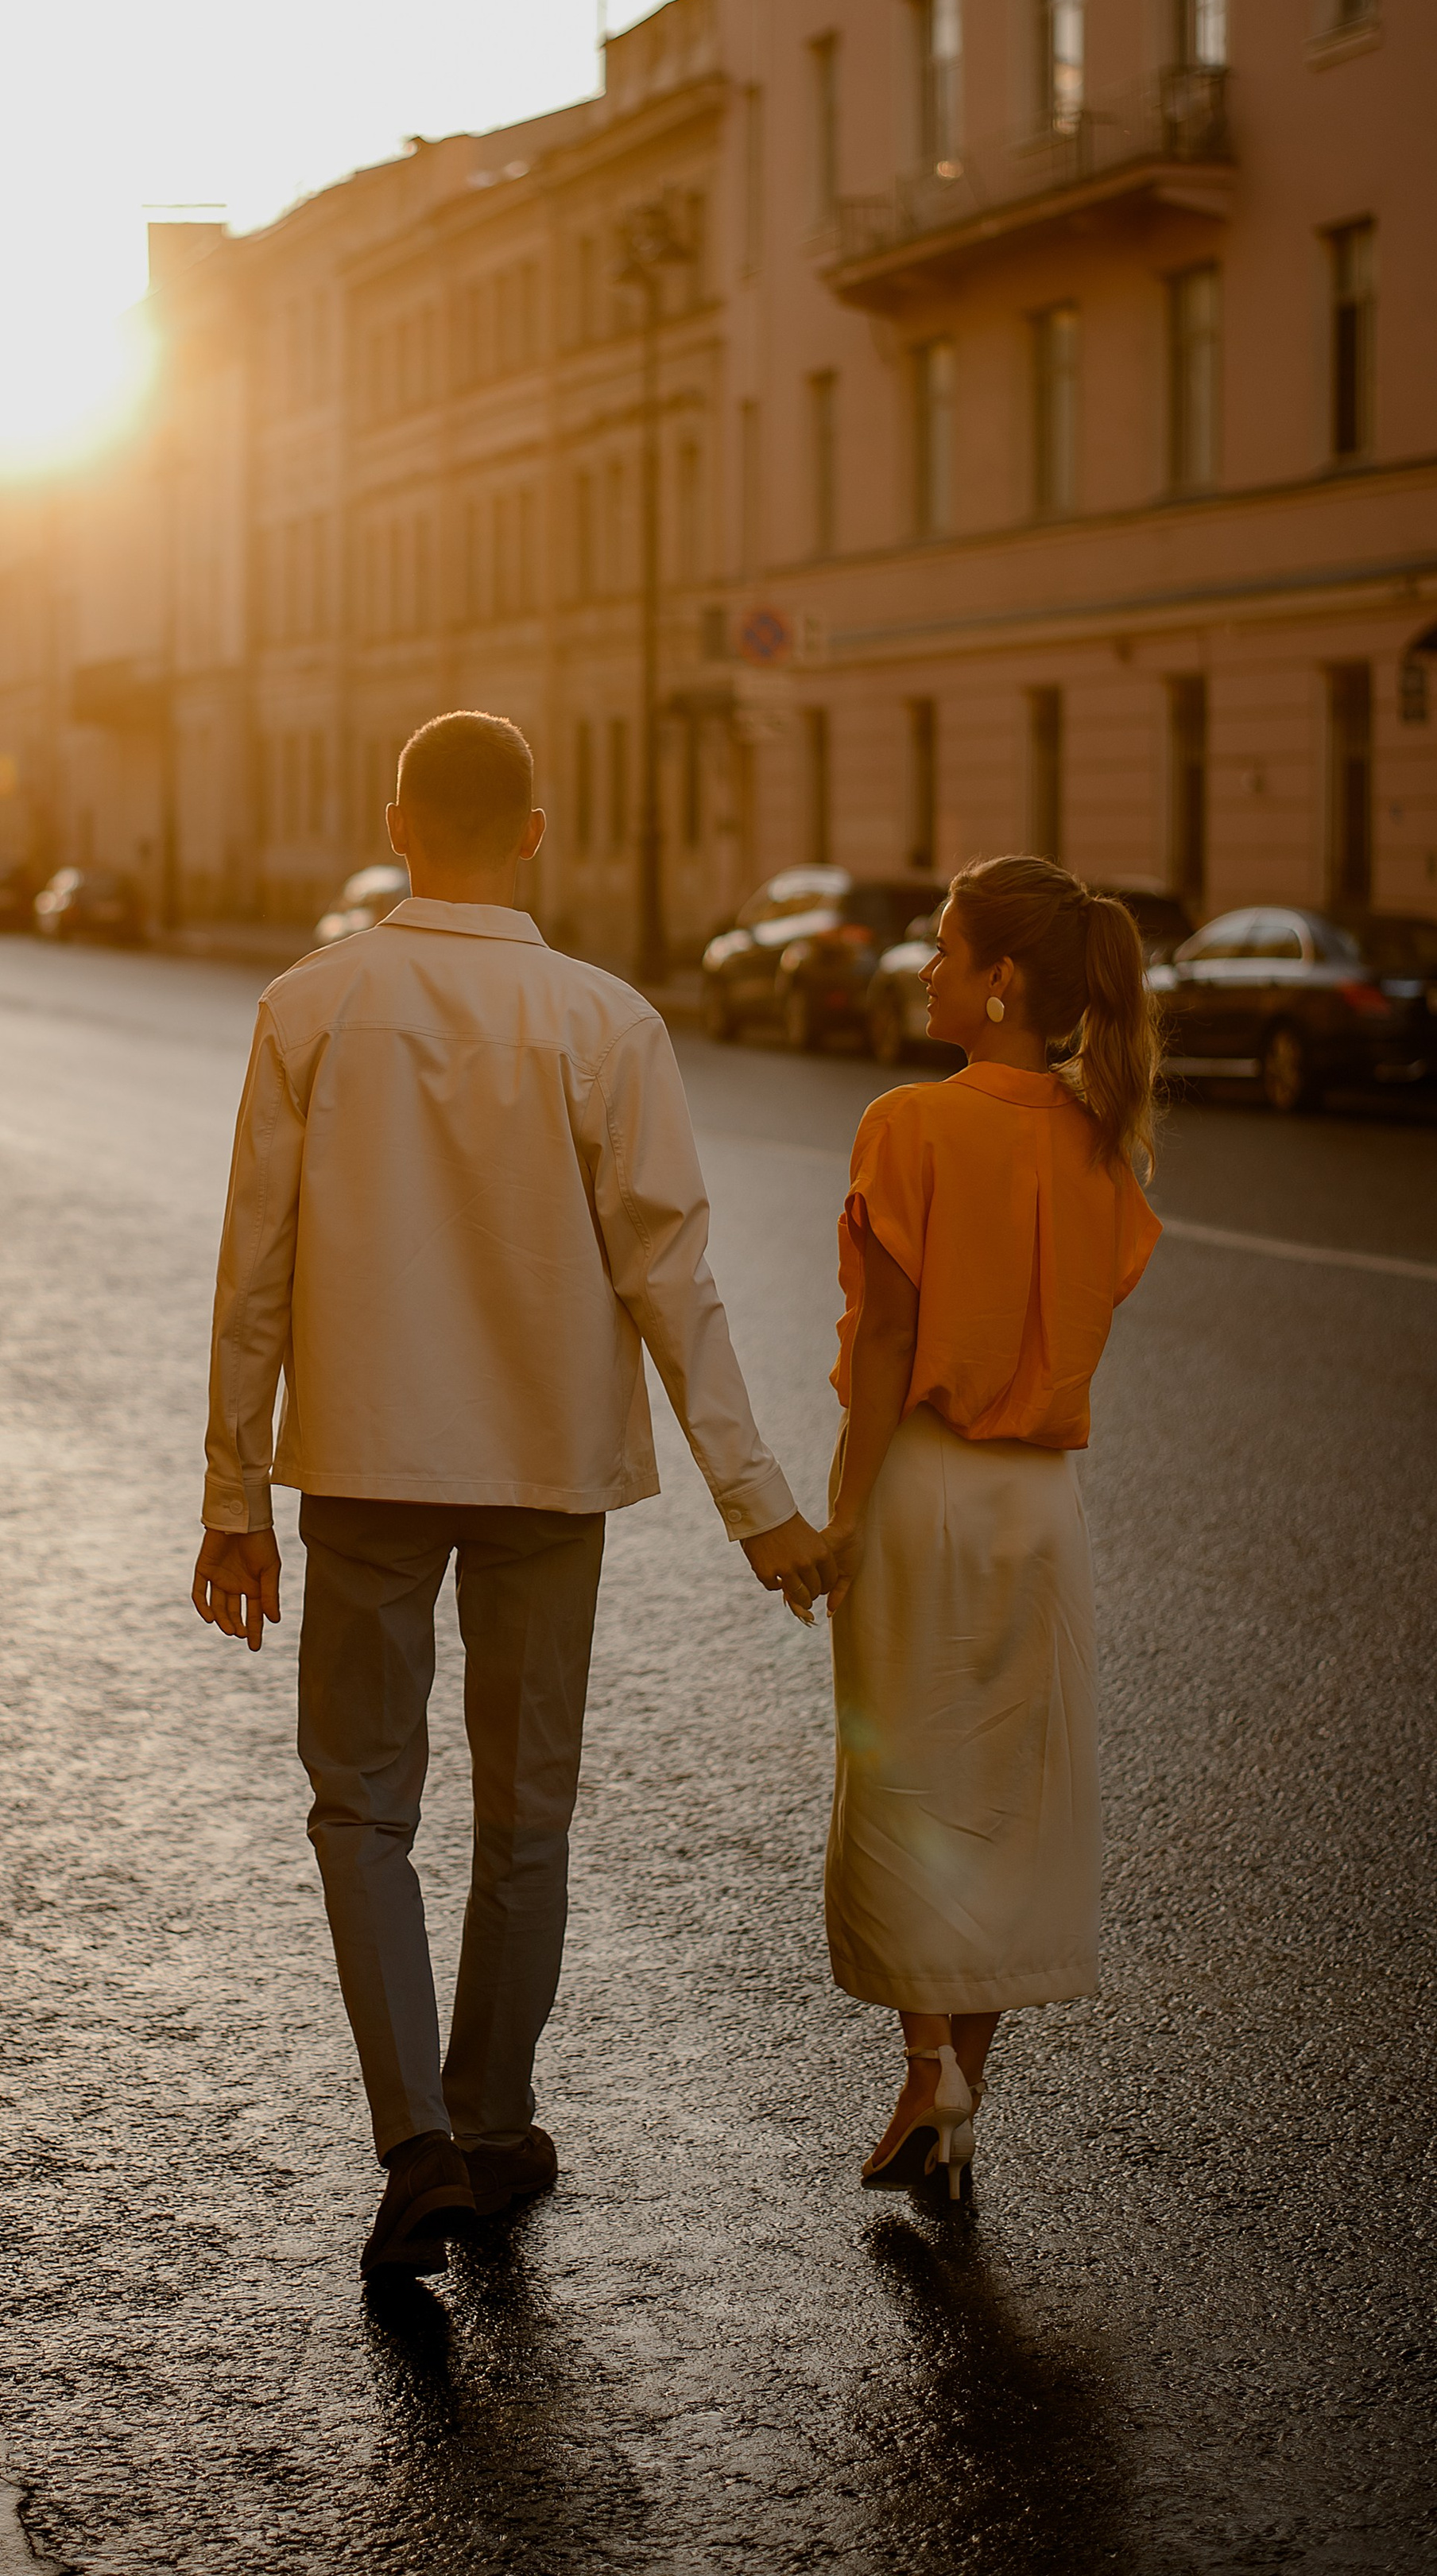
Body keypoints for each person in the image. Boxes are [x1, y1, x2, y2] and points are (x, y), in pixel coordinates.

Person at [192, 712, 828, 2279]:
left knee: (360, 1804)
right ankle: (489, 2119)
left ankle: (413, 2140)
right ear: (536, 832)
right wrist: (758, 1505)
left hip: (365, 1461)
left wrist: (232, 1495)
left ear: (395, 822)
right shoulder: (607, 1020)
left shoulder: (310, 1005)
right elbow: (671, 1278)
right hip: (548, 1469)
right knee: (525, 1811)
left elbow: (254, 1269)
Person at [800, 855, 1160, 2199]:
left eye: (945, 948)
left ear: (1001, 979)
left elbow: (889, 1344)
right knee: (1008, 1796)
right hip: (1042, 1504)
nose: (927, 967)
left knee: (909, 1781)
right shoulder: (1102, 1138)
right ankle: (965, 2099)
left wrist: (845, 1516)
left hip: (925, 1486)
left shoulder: (910, 1123)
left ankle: (924, 2072)